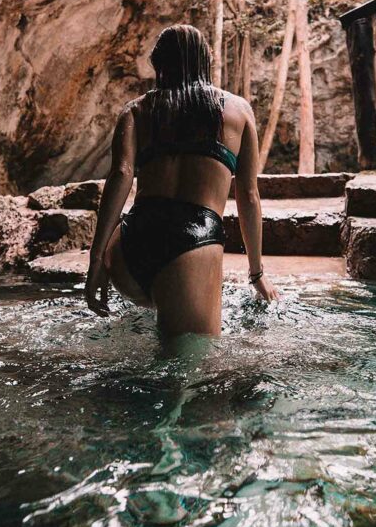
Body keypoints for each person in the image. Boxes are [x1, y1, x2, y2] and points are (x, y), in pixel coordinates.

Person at [85, 24, 278, 336]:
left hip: (129, 247)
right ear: (205, 62)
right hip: (191, 243)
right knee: (186, 375)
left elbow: (120, 176)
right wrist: (257, 274)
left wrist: (96, 261)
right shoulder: (238, 111)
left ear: (160, 64)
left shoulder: (136, 110)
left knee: (156, 318)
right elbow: (249, 195)